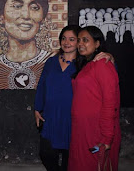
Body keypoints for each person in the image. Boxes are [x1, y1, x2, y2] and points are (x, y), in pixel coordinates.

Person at [34, 25, 114, 171]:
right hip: (51, 116)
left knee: (70, 158)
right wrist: (37, 108)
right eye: (64, 38)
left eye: (72, 39)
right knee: (46, 154)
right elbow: (41, 85)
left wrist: (109, 56)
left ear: (78, 43)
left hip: (72, 119)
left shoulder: (85, 64)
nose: (66, 42)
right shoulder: (51, 62)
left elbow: (104, 71)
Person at [68, 26, 121, 171]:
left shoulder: (103, 65)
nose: (80, 44)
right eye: (79, 40)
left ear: (97, 44)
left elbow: (110, 102)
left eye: (86, 40)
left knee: (92, 164)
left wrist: (106, 137)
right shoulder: (86, 64)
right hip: (82, 130)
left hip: (96, 132)